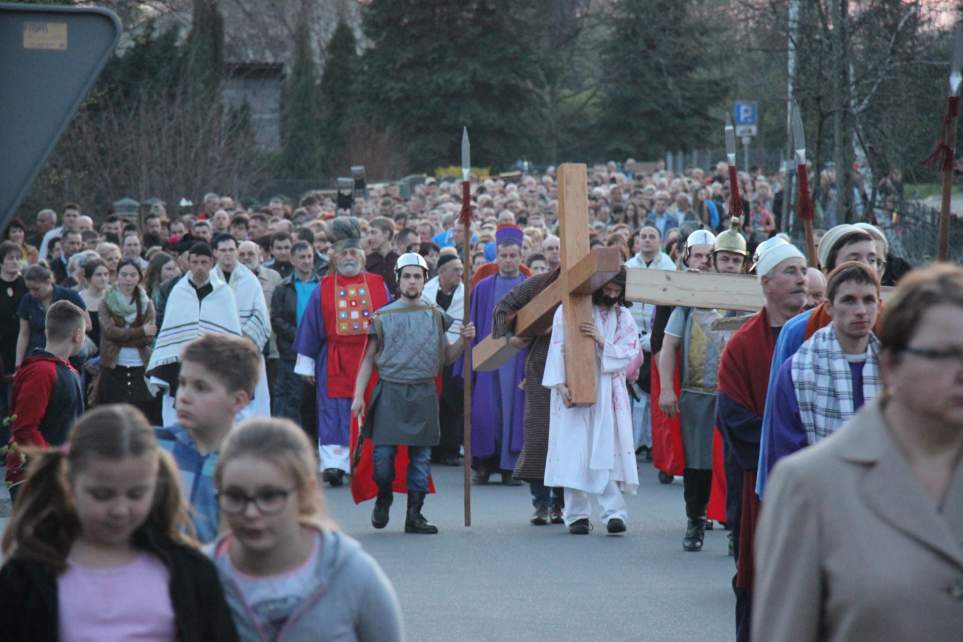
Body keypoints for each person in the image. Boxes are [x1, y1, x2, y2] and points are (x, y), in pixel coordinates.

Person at [752, 263, 963, 641]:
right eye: (941, 354)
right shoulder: (807, 483)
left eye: (869, 300)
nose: (959, 371)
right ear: (892, 368)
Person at [0, 404, 239, 641]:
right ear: (69, 484)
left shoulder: (190, 570)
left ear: (155, 487)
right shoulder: (27, 575)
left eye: (136, 494)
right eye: (102, 495)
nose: (119, 510)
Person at [208, 418, 404, 640]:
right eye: (235, 496)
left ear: (305, 492)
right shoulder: (199, 576)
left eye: (270, 496)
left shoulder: (352, 574)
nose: (251, 512)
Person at [715, 237, 807, 642]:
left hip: (819, 483)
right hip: (760, 485)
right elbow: (733, 418)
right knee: (757, 577)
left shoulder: (823, 335)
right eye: (791, 271)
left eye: (804, 271)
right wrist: (790, 454)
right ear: (767, 281)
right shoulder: (742, 345)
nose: (801, 280)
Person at [352, 253, 475, 534]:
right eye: (407, 276)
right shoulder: (383, 316)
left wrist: (465, 343)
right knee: (383, 459)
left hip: (423, 393)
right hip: (390, 392)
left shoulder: (435, 315)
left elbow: (446, 358)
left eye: (417, 276)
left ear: (424, 280)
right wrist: (359, 396)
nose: (412, 281)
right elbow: (369, 359)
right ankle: (384, 497)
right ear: (398, 279)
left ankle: (414, 515)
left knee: (420, 460)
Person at [756, 224, 880, 495]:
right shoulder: (799, 361)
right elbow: (783, 436)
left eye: (873, 259)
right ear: (829, 304)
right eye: (849, 300)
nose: (860, 311)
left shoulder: (896, 360)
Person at [658, 222, 746, 551]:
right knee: (698, 464)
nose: (728, 266)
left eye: (735, 261)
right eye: (723, 260)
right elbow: (668, 346)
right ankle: (695, 521)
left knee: (736, 466)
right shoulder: (690, 301)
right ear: (713, 261)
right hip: (697, 393)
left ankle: (736, 531)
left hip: (735, 397)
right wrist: (667, 388)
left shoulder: (751, 301)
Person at [293, 217, 390, 486]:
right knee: (332, 411)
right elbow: (310, 327)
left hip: (370, 358)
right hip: (334, 360)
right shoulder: (323, 287)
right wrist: (307, 365)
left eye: (352, 252)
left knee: (369, 408)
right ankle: (335, 464)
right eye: (343, 253)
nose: (348, 257)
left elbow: (390, 323)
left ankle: (366, 460)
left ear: (361, 256)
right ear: (335, 257)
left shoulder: (377, 284)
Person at [543, 269, 639, 534]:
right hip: (574, 386)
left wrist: (601, 340)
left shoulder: (623, 316)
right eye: (607, 289)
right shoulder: (568, 310)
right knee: (574, 451)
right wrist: (559, 384)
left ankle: (614, 513)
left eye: (616, 290)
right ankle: (576, 515)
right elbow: (557, 345)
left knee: (605, 450)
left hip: (608, 389)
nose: (611, 295)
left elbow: (630, 352)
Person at [156, 333, 260, 543]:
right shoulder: (153, 447)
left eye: (200, 387)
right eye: (182, 383)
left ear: (238, 401)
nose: (184, 396)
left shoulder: (251, 463)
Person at [460, 225, 527, 485]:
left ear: (521, 257)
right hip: (488, 358)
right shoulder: (483, 288)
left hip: (517, 357)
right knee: (486, 412)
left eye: (513, 255)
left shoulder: (529, 287)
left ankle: (511, 467)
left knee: (515, 412)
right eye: (504, 255)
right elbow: (473, 324)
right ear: (496, 257)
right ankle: (484, 465)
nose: (508, 260)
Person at [147, 242, 242, 426]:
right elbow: (170, 329)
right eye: (195, 262)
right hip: (181, 364)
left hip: (214, 364)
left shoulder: (224, 292)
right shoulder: (178, 291)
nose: (199, 267)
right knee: (178, 415)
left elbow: (231, 332)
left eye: (204, 262)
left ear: (212, 262)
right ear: (188, 263)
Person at [4, 300, 86, 492]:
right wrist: (55, 463)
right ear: (77, 335)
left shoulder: (69, 370)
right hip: (36, 475)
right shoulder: (41, 372)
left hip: (59, 473)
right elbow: (25, 428)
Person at [624, 224, 676, 457]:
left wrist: (654, 337)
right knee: (633, 393)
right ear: (637, 241)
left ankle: (654, 444)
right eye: (643, 236)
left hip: (657, 339)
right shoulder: (628, 268)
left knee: (654, 393)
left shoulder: (669, 267)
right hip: (631, 337)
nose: (647, 240)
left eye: (651, 236)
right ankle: (633, 443)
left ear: (660, 240)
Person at [212, 234, 272, 419]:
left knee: (253, 405)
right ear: (215, 253)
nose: (228, 254)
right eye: (223, 250)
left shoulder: (250, 280)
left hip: (247, 351)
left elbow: (261, 317)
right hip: (217, 353)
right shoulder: (209, 280)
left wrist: (241, 343)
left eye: (231, 250)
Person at [96, 258, 158, 419]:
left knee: (140, 414)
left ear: (139, 277)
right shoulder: (106, 302)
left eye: (132, 275)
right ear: (117, 276)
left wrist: (123, 336)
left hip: (140, 365)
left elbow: (149, 337)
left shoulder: (147, 303)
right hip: (113, 365)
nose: (128, 279)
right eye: (124, 274)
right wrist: (141, 330)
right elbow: (109, 332)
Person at [421, 253, 465, 466]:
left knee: (452, 401)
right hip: (429, 353)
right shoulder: (425, 292)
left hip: (456, 351)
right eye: (455, 269)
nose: (459, 273)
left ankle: (451, 449)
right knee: (431, 400)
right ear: (441, 271)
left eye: (461, 269)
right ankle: (432, 449)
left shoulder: (466, 294)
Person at [271, 240, 320, 428]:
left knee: (315, 402)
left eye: (309, 256)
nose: (307, 261)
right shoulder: (283, 288)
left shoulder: (322, 285)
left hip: (318, 351)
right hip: (292, 352)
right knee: (292, 401)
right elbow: (276, 319)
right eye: (302, 257)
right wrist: (301, 336)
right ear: (293, 260)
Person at [15, 264, 87, 370]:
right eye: (29, 289)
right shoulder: (27, 300)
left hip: (67, 356)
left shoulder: (69, 295)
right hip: (37, 354)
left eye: (36, 289)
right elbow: (24, 333)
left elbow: (87, 323)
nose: (32, 293)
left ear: (48, 282)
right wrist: (18, 362)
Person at [0, 241, 27, 429]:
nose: (15, 262)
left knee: (17, 404)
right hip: (1, 349)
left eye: (18, 258)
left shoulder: (26, 285)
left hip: (22, 347)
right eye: (10, 258)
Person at [364, 216, 400, 295]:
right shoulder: (365, 263)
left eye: (373, 233)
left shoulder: (400, 261)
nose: (369, 238)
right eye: (368, 234)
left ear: (386, 234)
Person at [79, 258, 110, 349]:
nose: (103, 278)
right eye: (98, 275)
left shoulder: (114, 296)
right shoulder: (79, 298)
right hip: (87, 348)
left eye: (106, 274)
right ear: (88, 278)